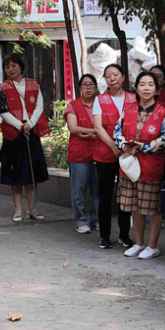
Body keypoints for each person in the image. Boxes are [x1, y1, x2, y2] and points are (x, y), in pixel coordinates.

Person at [115, 71, 165, 259]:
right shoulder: (128, 109)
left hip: (150, 165)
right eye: (142, 84)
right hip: (129, 166)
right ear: (136, 88)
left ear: (156, 90)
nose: (146, 88)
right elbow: (117, 131)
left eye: (150, 84)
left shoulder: (163, 112)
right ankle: (138, 243)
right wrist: (124, 145)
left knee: (152, 208)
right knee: (135, 206)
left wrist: (144, 147)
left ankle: (152, 245)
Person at [0, 53, 49, 222]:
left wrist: (30, 124)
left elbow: (39, 105)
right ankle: (18, 210)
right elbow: (3, 111)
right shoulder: (3, 87)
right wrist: (19, 125)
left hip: (31, 132)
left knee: (33, 174)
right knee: (15, 175)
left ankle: (33, 208)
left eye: (13, 65)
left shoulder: (33, 84)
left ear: (21, 66)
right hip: (12, 134)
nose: (10, 69)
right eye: (7, 67)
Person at [92, 64, 135, 249]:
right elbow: (98, 126)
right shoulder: (100, 99)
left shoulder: (133, 98)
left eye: (115, 74)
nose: (112, 79)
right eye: (108, 76)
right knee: (105, 196)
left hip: (128, 154)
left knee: (125, 196)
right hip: (104, 154)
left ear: (123, 76)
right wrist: (113, 145)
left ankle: (124, 235)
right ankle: (104, 236)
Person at [64, 74, 100, 234]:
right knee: (79, 188)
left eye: (91, 85)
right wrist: (95, 131)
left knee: (96, 188)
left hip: (99, 152)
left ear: (96, 88)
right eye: (84, 85)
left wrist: (88, 132)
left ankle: (95, 219)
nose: (88, 88)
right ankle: (81, 220)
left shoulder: (101, 105)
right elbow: (73, 128)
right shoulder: (73, 106)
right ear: (79, 88)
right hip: (78, 153)